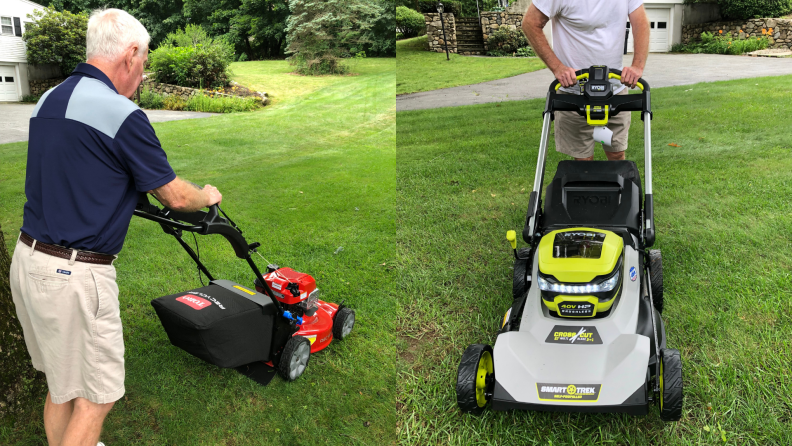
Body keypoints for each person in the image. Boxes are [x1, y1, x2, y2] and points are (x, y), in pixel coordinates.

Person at [9, 9, 222, 445]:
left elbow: (78, 168)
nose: (142, 75)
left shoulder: (50, 100)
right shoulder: (121, 112)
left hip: (28, 261)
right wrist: (208, 195)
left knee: (62, 384)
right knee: (95, 397)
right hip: (74, 275)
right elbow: (177, 197)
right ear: (129, 55)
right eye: (144, 63)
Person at [522, 0, 650, 161]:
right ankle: (586, 180)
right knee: (583, 159)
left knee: (616, 153)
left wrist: (637, 66)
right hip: (574, 94)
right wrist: (558, 68)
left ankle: (602, 147)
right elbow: (530, 23)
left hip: (614, 91)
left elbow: (640, 24)